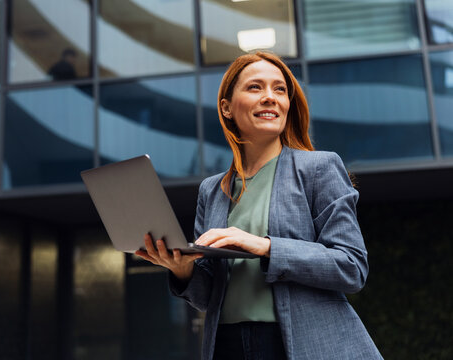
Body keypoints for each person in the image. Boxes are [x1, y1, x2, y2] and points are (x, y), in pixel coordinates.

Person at [135, 51, 382, 360]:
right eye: (255, 87)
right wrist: (182, 270)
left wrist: (264, 247)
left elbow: (351, 267)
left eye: (279, 89)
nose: (270, 97)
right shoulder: (212, 190)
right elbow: (208, 297)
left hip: (300, 345)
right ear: (226, 108)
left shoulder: (318, 168)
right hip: (226, 345)